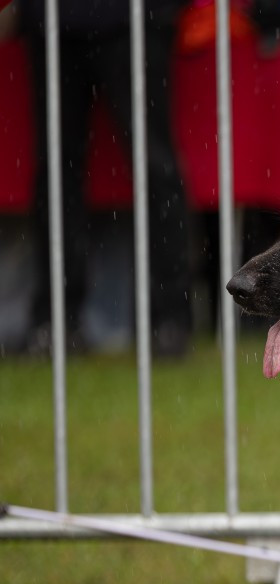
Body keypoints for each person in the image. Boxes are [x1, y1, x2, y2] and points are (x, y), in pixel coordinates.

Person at [21, 0, 192, 357]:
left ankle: (170, 318)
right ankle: (55, 319)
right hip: (56, 19)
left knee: (154, 166)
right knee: (56, 171)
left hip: (134, 17)